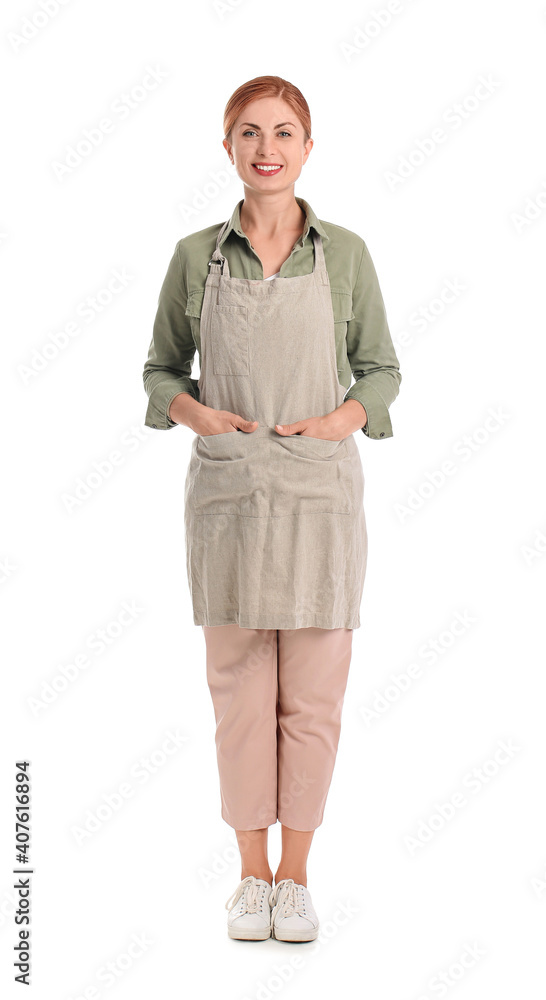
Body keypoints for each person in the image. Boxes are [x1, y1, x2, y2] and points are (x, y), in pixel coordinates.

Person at [142, 75, 402, 943]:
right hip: (229, 502)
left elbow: (383, 371)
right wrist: (200, 415)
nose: (266, 147)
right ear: (227, 148)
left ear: (308, 146)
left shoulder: (348, 255)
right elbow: (158, 373)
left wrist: (341, 419)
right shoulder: (193, 257)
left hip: (320, 501)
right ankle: (249, 877)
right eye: (249, 132)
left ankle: (296, 878)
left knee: (314, 704)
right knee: (242, 700)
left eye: (284, 131)